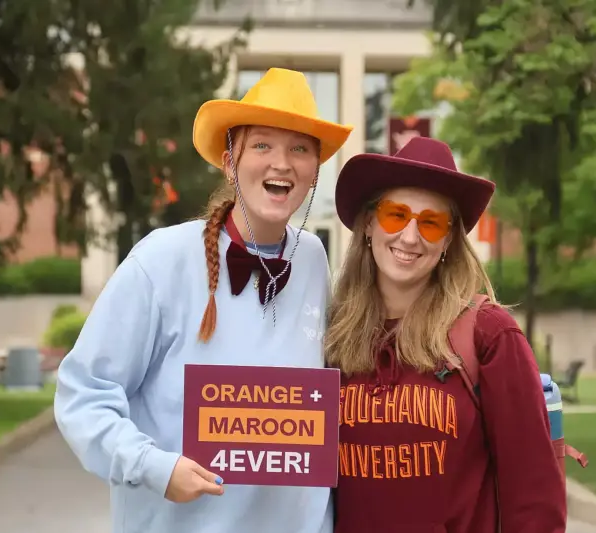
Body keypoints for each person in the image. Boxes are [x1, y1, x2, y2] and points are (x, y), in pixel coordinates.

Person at [53, 68, 353, 533]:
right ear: (229, 161)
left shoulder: (313, 259)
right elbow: (83, 393)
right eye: (262, 145)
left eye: (299, 148)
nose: (282, 162)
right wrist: (155, 466)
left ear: (315, 170)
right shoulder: (162, 258)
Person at [325, 136, 567, 533]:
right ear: (369, 223)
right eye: (395, 215)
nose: (409, 236)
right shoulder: (334, 334)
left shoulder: (489, 335)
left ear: (449, 241)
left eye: (431, 223)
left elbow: (534, 499)